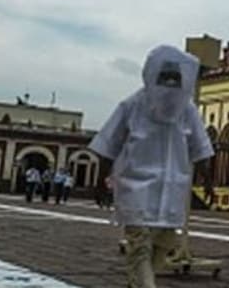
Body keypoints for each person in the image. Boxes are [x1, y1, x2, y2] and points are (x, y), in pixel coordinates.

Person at [89, 44, 214, 288]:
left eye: (175, 79)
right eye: (166, 78)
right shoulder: (131, 105)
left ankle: (137, 282)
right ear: (154, 76)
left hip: (172, 188)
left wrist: (207, 179)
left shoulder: (186, 109)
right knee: (140, 245)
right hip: (136, 187)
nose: (170, 85)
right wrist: (100, 181)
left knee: (164, 243)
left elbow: (200, 146)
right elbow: (109, 144)